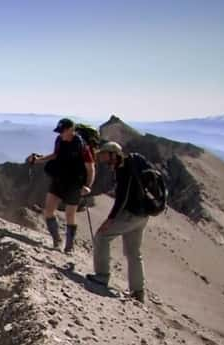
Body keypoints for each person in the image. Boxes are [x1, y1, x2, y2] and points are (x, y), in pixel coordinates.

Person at [86, 141, 151, 303]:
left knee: (102, 236)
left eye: (104, 155)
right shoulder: (134, 164)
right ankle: (138, 292)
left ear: (113, 154)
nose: (102, 158)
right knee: (133, 252)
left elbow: (122, 199)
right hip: (143, 215)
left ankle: (102, 276)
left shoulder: (124, 169)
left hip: (130, 214)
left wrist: (110, 220)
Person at [27, 118, 96, 253]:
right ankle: (56, 239)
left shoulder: (83, 146)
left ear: (71, 130)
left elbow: (91, 168)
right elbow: (55, 155)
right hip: (59, 179)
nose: (60, 134)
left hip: (75, 183)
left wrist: (88, 186)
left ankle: (69, 246)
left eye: (62, 131)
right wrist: (38, 160)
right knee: (48, 211)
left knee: (70, 215)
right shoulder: (59, 141)